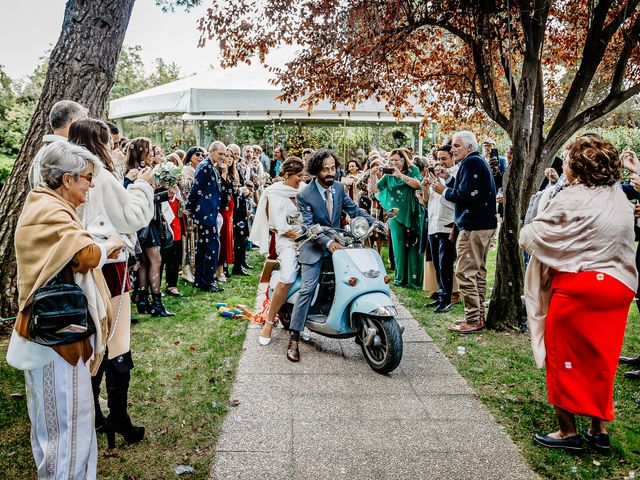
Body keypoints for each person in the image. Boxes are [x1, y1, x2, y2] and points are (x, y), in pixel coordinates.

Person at [6, 141, 123, 477]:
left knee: (55, 423)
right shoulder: (49, 208)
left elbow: (70, 246)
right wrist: (109, 245)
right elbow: (81, 255)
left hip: (49, 333)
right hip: (55, 338)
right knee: (68, 422)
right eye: (86, 177)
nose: (90, 185)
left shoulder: (46, 203)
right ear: (67, 179)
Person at [520, 134, 637, 453]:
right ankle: (598, 430)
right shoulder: (620, 199)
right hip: (617, 288)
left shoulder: (572, 198)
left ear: (576, 165)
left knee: (562, 357)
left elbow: (533, 233)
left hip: (579, 288)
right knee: (602, 359)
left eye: (569, 158)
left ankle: (567, 432)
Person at [68, 120, 154, 444]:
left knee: (94, 342)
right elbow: (132, 218)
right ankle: (118, 417)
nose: (115, 146)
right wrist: (142, 186)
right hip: (109, 265)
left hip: (81, 267)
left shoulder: (71, 175)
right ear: (100, 141)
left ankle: (96, 416)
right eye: (109, 140)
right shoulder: (100, 176)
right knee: (116, 341)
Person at [287, 150, 374, 362]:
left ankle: (358, 324)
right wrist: (327, 242)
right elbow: (307, 226)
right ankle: (294, 337)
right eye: (325, 169)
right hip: (314, 246)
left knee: (355, 279)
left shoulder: (338, 188)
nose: (330, 172)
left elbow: (354, 210)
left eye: (332, 168)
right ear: (316, 170)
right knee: (308, 288)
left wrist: (375, 222)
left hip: (339, 244)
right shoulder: (305, 194)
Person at [431, 131, 497, 333]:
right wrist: (448, 180)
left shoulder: (471, 163)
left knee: (465, 273)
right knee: (477, 273)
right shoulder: (476, 162)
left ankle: (473, 319)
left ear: (469, 147)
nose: (452, 149)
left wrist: (444, 191)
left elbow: (468, 195)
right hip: (482, 225)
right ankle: (477, 316)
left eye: (457, 146)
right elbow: (468, 188)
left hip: (473, 226)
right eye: (452, 145)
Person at [249, 157, 305, 345]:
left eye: (303, 175)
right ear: (287, 175)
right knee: (288, 276)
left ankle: (303, 322)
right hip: (286, 240)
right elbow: (271, 223)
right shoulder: (272, 192)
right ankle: (269, 321)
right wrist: (287, 233)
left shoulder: (304, 190)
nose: (301, 179)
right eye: (298, 175)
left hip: (307, 238)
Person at [372, 148, 424, 289]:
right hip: (395, 214)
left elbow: (417, 184)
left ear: (403, 160)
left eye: (396, 160)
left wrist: (400, 175)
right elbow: (376, 190)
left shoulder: (413, 170)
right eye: (391, 160)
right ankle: (401, 279)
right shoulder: (388, 174)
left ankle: (415, 280)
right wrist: (372, 175)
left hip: (413, 212)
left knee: (414, 245)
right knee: (398, 247)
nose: (393, 162)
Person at [422, 145, 458, 312]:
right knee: (437, 263)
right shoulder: (435, 176)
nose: (441, 162)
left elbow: (458, 199)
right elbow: (427, 202)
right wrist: (424, 187)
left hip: (447, 225)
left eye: (444, 159)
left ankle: (447, 299)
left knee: (445, 264)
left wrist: (444, 187)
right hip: (433, 225)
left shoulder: (456, 175)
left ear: (452, 158)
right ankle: (441, 296)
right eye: (438, 159)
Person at [187, 141, 225, 292]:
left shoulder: (211, 167)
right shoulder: (205, 167)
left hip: (208, 211)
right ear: (211, 151)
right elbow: (196, 188)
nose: (222, 157)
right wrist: (190, 207)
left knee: (203, 247)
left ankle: (201, 280)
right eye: (220, 154)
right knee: (211, 247)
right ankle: (208, 282)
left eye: (223, 154)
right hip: (205, 213)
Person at [180, 147, 206, 283]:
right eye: (197, 154)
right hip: (188, 210)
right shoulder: (186, 170)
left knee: (196, 239)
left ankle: (195, 268)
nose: (200, 156)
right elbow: (187, 190)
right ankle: (186, 269)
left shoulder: (201, 169)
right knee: (189, 239)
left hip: (198, 210)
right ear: (190, 156)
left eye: (202, 154)